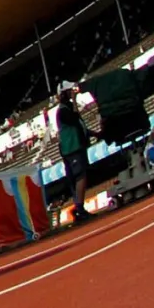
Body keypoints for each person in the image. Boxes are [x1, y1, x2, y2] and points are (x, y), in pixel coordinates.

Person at [54, 85, 93, 223]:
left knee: (81, 176)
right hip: (72, 148)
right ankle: (79, 209)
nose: (73, 92)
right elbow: (75, 119)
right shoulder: (63, 111)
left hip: (75, 147)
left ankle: (79, 208)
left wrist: (93, 134)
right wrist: (75, 102)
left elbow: (79, 125)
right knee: (80, 176)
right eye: (70, 91)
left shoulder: (66, 108)